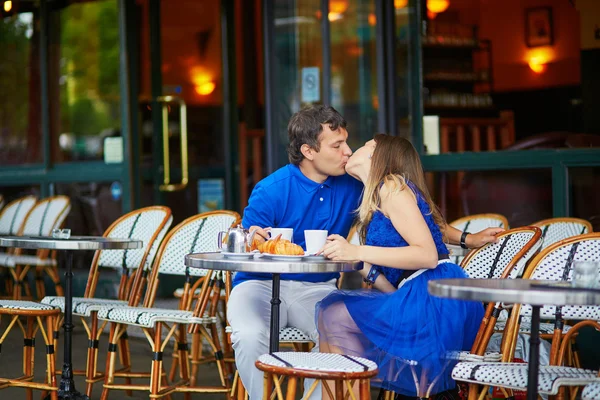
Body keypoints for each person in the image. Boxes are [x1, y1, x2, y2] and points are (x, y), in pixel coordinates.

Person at [317, 134, 496, 399]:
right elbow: (397, 284)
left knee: (332, 313)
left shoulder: (392, 187)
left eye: (364, 144)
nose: (352, 149)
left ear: (376, 155)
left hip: (436, 295)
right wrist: (362, 264)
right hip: (420, 293)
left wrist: (356, 249)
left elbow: (427, 256)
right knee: (332, 313)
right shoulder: (381, 195)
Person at [227, 105, 364, 400]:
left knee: (341, 337)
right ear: (309, 150)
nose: (348, 152)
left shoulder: (353, 186)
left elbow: (403, 217)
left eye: (347, 142)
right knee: (249, 337)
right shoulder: (272, 189)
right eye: (338, 145)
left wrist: (464, 239)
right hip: (257, 285)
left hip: (316, 288)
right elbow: (249, 240)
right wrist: (254, 237)